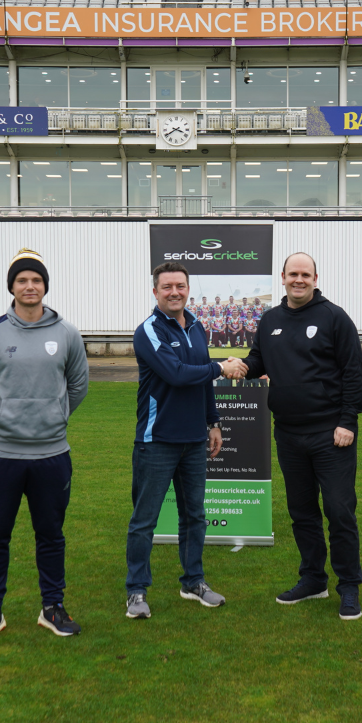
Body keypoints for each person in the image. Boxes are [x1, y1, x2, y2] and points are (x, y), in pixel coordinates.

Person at [0, 248, 90, 643]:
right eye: (22, 280)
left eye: (36, 280)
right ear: (12, 287)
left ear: (45, 286)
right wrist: (3, 420)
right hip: (1, 455)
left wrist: (53, 418)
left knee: (51, 534)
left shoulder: (67, 333)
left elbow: (78, 386)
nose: (30, 286)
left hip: (52, 454)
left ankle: (52, 608)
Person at [238, 252, 362, 620]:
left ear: (315, 277)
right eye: (292, 274)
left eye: (305, 274)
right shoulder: (270, 320)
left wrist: (347, 422)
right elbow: (258, 360)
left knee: (340, 511)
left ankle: (349, 587)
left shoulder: (334, 317)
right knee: (302, 512)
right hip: (289, 434)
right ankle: (313, 579)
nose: (299, 279)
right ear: (282, 277)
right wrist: (238, 367)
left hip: (331, 435)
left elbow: (353, 373)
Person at [126, 261, 247, 619]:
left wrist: (213, 422)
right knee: (144, 520)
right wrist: (221, 368)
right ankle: (136, 590)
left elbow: (201, 382)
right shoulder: (148, 330)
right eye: (167, 287)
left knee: (194, 515)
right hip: (157, 440)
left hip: (195, 439)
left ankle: (193, 581)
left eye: (180, 285)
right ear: (155, 292)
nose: (174, 292)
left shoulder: (196, 327)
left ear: (187, 288)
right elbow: (176, 375)